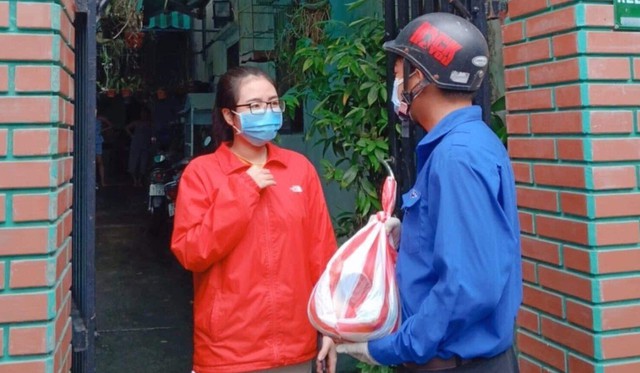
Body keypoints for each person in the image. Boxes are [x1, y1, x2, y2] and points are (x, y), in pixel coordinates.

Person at [325, 13, 522, 373]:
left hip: (456, 365)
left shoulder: (455, 158)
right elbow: (470, 249)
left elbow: (468, 286)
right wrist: (410, 235)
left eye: (400, 72)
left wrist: (391, 347)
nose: (396, 82)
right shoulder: (472, 144)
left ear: (421, 77)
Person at [170, 66, 338, 373]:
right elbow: (191, 252)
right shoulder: (202, 174)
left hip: (296, 349)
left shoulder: (298, 169)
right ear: (230, 116)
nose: (268, 111)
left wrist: (329, 328)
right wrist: (243, 191)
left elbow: (322, 255)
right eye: (255, 105)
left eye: (273, 103)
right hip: (229, 353)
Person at [126, 106, 155, 187]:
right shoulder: (136, 122)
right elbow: (127, 128)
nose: (143, 115)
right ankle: (135, 180)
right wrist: (132, 136)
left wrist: (152, 142)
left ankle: (140, 180)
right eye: (142, 114)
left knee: (143, 163)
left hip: (145, 145)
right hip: (135, 145)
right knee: (133, 163)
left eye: (145, 114)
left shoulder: (150, 123)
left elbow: (153, 135)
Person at [96, 109, 113, 189]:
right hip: (90, 141)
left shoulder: (100, 118)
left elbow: (110, 125)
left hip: (98, 141)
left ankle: (102, 182)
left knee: (99, 162)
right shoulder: (88, 117)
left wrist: (101, 130)